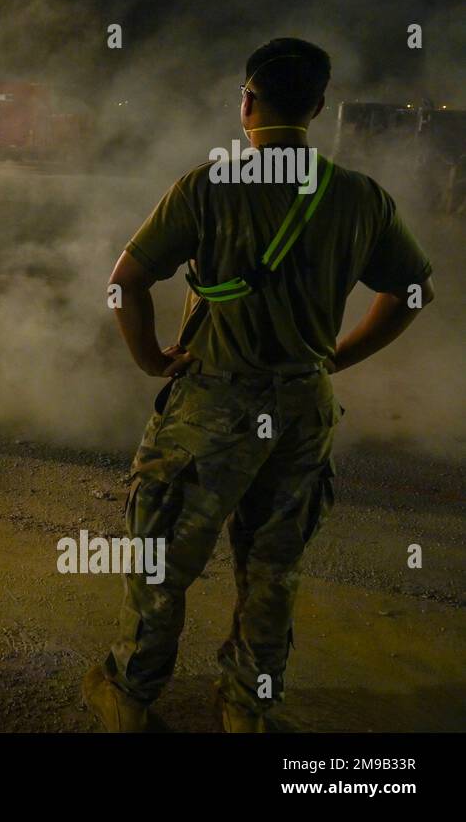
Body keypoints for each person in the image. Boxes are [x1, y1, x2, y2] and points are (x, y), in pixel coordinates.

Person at [83, 37, 435, 732]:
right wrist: (335, 357)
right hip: (304, 410)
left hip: (214, 404)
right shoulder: (360, 196)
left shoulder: (208, 185)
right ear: (319, 106)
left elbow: (126, 283)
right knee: (275, 568)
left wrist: (154, 361)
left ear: (247, 103)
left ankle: (131, 693)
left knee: (161, 558)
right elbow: (415, 290)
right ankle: (248, 706)